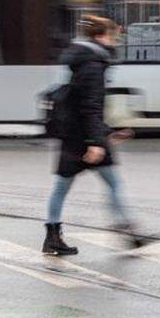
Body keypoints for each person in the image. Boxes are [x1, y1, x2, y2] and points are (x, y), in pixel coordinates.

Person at [43, 15, 140, 256]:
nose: (115, 40)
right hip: (85, 139)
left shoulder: (81, 60)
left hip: (72, 135)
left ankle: (52, 237)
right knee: (114, 183)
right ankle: (127, 232)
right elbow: (91, 107)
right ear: (100, 36)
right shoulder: (94, 65)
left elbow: (79, 104)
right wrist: (97, 142)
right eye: (112, 35)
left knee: (62, 187)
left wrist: (108, 132)